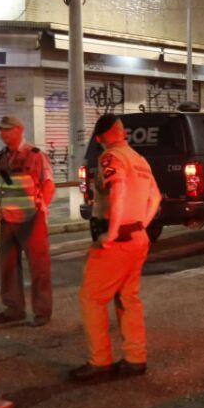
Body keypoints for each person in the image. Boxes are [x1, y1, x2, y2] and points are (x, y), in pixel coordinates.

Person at [71, 114, 161, 382]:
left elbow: (117, 189)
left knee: (92, 298)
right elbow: (155, 196)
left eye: (98, 140)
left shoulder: (111, 158)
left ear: (103, 136)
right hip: (137, 237)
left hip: (118, 239)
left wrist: (111, 233)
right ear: (123, 132)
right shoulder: (140, 160)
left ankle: (99, 362)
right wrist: (140, 224)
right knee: (128, 298)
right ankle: (135, 358)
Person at [0, 116, 57, 327]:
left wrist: (42, 207)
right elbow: (0, 187)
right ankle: (13, 309)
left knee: (39, 267)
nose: (3, 134)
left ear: (19, 129)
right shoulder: (1, 157)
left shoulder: (35, 155)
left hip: (31, 219)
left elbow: (49, 183)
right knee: (7, 266)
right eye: (1, 130)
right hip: (8, 220)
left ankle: (42, 312)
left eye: (7, 130)